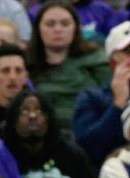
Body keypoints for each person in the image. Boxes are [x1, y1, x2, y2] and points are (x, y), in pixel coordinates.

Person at [26, 0, 110, 128]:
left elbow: (110, 101)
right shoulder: (25, 63)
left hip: (88, 130)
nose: (58, 29)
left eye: (65, 24)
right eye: (50, 24)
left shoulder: (97, 59)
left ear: (76, 28)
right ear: (38, 28)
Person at [73, 20, 130, 168]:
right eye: (128, 51)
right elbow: (89, 151)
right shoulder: (91, 99)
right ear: (113, 62)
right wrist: (118, 104)